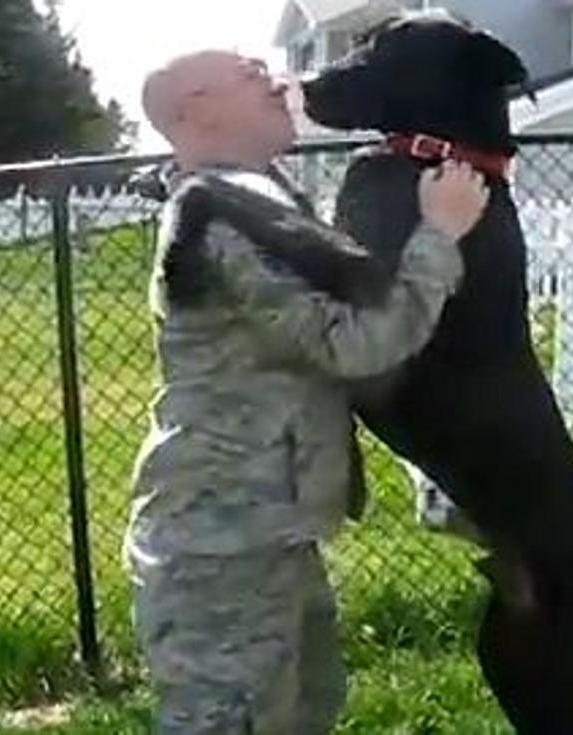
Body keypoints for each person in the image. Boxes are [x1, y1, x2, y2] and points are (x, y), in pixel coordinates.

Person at [124, 49, 487, 734]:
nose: (273, 77)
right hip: (218, 543)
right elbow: (354, 343)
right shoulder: (214, 220)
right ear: (195, 108)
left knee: (304, 708)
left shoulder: (261, 199)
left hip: (268, 531)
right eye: (247, 72)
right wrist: (439, 235)